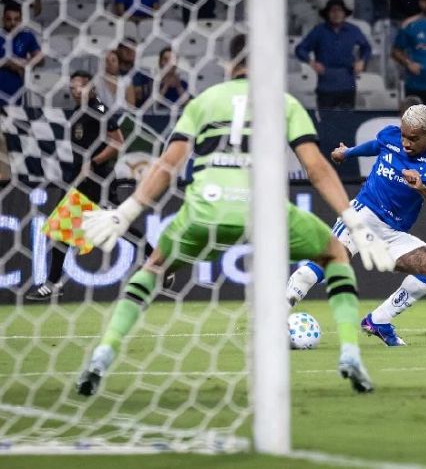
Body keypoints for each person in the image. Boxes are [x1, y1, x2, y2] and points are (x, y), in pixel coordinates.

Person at [76, 35, 394, 397]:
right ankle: (351, 353)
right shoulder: (284, 103)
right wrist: (352, 220)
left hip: (206, 210)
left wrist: (126, 210)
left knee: (154, 267)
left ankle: (103, 354)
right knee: (335, 253)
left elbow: (168, 164)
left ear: (230, 65)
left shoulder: (205, 100)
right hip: (267, 212)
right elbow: (316, 167)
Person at [286, 103, 426, 347]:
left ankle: (379, 320)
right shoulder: (390, 135)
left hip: (392, 233)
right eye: (404, 135)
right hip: (362, 214)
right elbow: (375, 146)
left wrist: (422, 188)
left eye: (413, 139)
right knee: (327, 262)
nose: (406, 143)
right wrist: (347, 153)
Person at [25, 70, 124, 301]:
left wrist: (93, 161)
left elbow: (118, 142)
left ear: (90, 87)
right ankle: (53, 282)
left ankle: (154, 260)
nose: (74, 91)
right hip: (81, 180)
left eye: (78, 86)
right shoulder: (79, 112)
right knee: (61, 228)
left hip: (99, 180)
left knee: (119, 226)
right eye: (71, 87)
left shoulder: (98, 108)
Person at [295, 0, 372, 109]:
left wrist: (362, 61)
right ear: (327, 13)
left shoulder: (353, 30)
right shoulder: (319, 30)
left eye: (339, 10)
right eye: (333, 11)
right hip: (326, 83)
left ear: (344, 13)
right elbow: (300, 49)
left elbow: (367, 47)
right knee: (326, 121)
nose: (336, 14)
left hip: (347, 81)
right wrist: (312, 63)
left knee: (347, 120)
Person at [0, 2, 42, 105]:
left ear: (22, 20)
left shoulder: (27, 36)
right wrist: (8, 63)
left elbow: (40, 59)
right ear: (3, 20)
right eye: (8, 19)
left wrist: (26, 63)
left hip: (15, 91)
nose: (13, 23)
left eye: (16, 19)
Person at [117, 38, 153, 108]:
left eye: (133, 49)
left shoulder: (144, 75)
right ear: (119, 51)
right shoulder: (111, 74)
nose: (130, 51)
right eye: (126, 48)